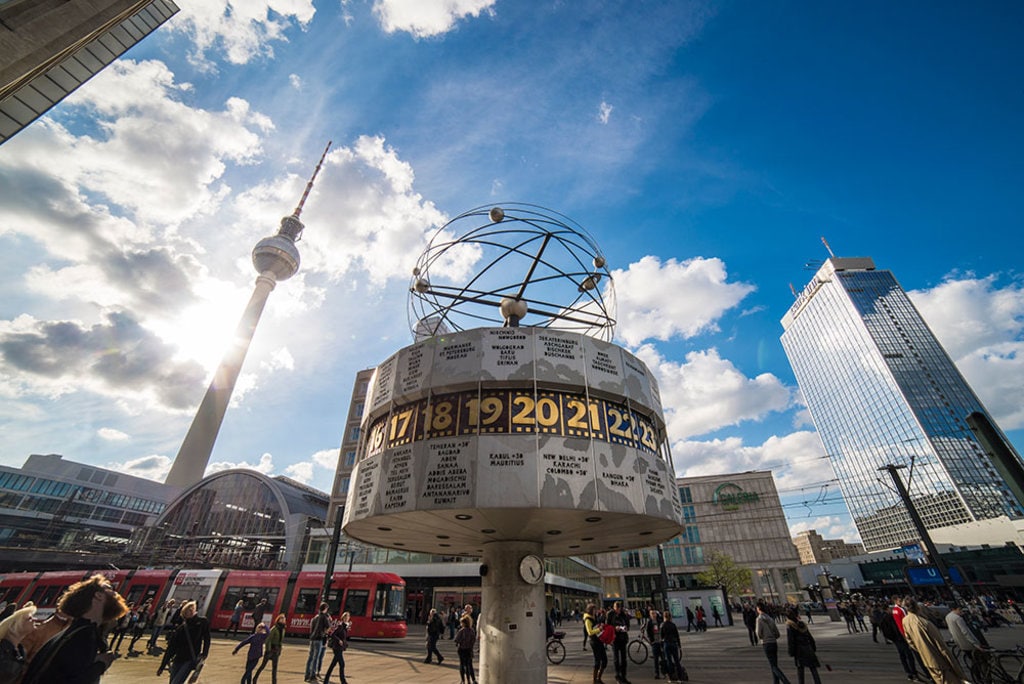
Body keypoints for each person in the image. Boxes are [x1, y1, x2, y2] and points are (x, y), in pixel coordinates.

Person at [21, 574, 128, 684]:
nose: (116, 593)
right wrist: (101, 665)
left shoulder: (72, 632)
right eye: (110, 589)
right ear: (98, 596)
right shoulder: (83, 636)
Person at [901, 597, 964, 684]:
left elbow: (910, 641)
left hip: (926, 658)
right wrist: (953, 663)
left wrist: (921, 650)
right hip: (938, 659)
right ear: (917, 607)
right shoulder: (925, 623)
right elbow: (940, 644)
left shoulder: (905, 620)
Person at [157, 600, 210, 684]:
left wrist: (204, 653)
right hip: (178, 659)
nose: (189, 612)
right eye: (187, 611)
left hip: (190, 659)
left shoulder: (202, 622)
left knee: (176, 682)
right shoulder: (180, 629)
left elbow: (207, 638)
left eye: (190, 610)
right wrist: (162, 666)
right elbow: (171, 648)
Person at [946, 604, 989, 680]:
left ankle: (978, 677)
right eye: (960, 610)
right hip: (967, 643)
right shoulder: (958, 618)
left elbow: (952, 630)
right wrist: (976, 644)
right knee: (980, 660)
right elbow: (965, 632)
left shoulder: (948, 617)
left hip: (959, 643)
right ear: (957, 609)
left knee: (973, 660)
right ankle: (984, 677)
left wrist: (952, 639)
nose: (961, 612)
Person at [755, 600, 792, 684]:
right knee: (774, 663)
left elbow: (758, 633)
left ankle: (785, 681)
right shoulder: (770, 618)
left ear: (758, 609)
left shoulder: (759, 619)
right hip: (773, 642)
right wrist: (774, 637)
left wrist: (762, 638)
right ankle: (776, 682)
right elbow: (777, 632)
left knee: (773, 666)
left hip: (766, 643)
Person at [879, 607, 920, 681]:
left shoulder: (886, 618)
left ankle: (909, 672)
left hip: (896, 639)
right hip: (901, 638)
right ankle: (913, 672)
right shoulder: (892, 617)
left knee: (902, 655)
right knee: (909, 655)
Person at [0, 603, 36, 684]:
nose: (35, 619)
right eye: (29, 618)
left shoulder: (21, 651)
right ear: (14, 626)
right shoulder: (2, 649)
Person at [785, 607, 822, 684]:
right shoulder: (803, 624)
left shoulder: (790, 625)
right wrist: (813, 647)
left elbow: (791, 640)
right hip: (808, 647)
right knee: (813, 668)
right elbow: (810, 637)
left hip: (799, 650)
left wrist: (791, 651)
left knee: (800, 669)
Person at [252, 613, 286, 684]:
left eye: (284, 619)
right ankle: (255, 678)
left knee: (274, 668)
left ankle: (274, 682)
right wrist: (268, 649)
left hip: (276, 650)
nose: (283, 620)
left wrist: (280, 650)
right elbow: (268, 640)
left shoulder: (283, 629)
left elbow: (280, 641)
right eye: (281, 619)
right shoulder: (274, 628)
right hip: (270, 650)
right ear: (278, 620)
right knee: (263, 666)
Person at [305, 602, 330, 682]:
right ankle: (313, 675)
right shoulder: (324, 617)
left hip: (312, 639)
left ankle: (307, 675)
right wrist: (325, 633)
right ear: (325, 608)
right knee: (316, 657)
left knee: (310, 657)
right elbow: (328, 627)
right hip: (319, 639)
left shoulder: (315, 617)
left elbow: (311, 629)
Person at [606, 601, 631, 684]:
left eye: (619, 608)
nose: (617, 610)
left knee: (624, 659)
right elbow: (607, 626)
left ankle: (624, 676)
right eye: (616, 608)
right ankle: (618, 676)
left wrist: (623, 628)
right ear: (614, 607)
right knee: (616, 658)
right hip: (615, 639)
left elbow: (628, 626)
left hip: (623, 638)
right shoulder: (610, 614)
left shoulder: (624, 615)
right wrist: (614, 628)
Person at [323, 611, 350, 684]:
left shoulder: (345, 627)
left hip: (340, 648)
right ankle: (343, 681)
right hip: (337, 648)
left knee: (333, 664)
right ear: (343, 618)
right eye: (346, 617)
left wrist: (344, 643)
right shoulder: (340, 626)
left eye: (348, 617)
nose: (347, 618)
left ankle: (326, 680)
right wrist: (339, 641)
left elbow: (343, 637)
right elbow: (333, 634)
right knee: (342, 664)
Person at [583, 603, 608, 684]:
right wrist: (599, 629)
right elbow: (589, 632)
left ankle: (599, 678)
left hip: (599, 640)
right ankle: (595, 680)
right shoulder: (587, 619)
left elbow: (597, 624)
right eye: (594, 610)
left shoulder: (594, 617)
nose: (595, 611)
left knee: (604, 660)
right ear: (590, 610)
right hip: (594, 641)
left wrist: (601, 625)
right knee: (597, 661)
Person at [661, 612, 685, 682]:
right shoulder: (673, 625)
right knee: (677, 661)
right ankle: (679, 678)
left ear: (664, 617)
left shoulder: (663, 625)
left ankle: (670, 678)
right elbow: (677, 636)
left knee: (669, 661)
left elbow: (661, 636)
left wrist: (661, 646)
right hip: (674, 643)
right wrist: (679, 646)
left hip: (667, 643)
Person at [454, 614, 476, 684]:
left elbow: (456, 640)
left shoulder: (462, 630)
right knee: (469, 665)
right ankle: (470, 680)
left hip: (462, 649)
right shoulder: (472, 631)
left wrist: (459, 642)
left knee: (462, 665)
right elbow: (473, 640)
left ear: (463, 623)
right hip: (469, 649)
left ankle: (463, 680)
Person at [644, 608, 666, 680]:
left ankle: (665, 672)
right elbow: (648, 631)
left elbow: (663, 630)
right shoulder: (649, 622)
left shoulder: (659, 621)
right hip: (654, 642)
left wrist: (663, 639)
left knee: (663, 658)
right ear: (650, 615)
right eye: (652, 613)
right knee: (656, 659)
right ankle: (657, 674)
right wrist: (651, 640)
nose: (654, 615)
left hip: (660, 642)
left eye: (654, 613)